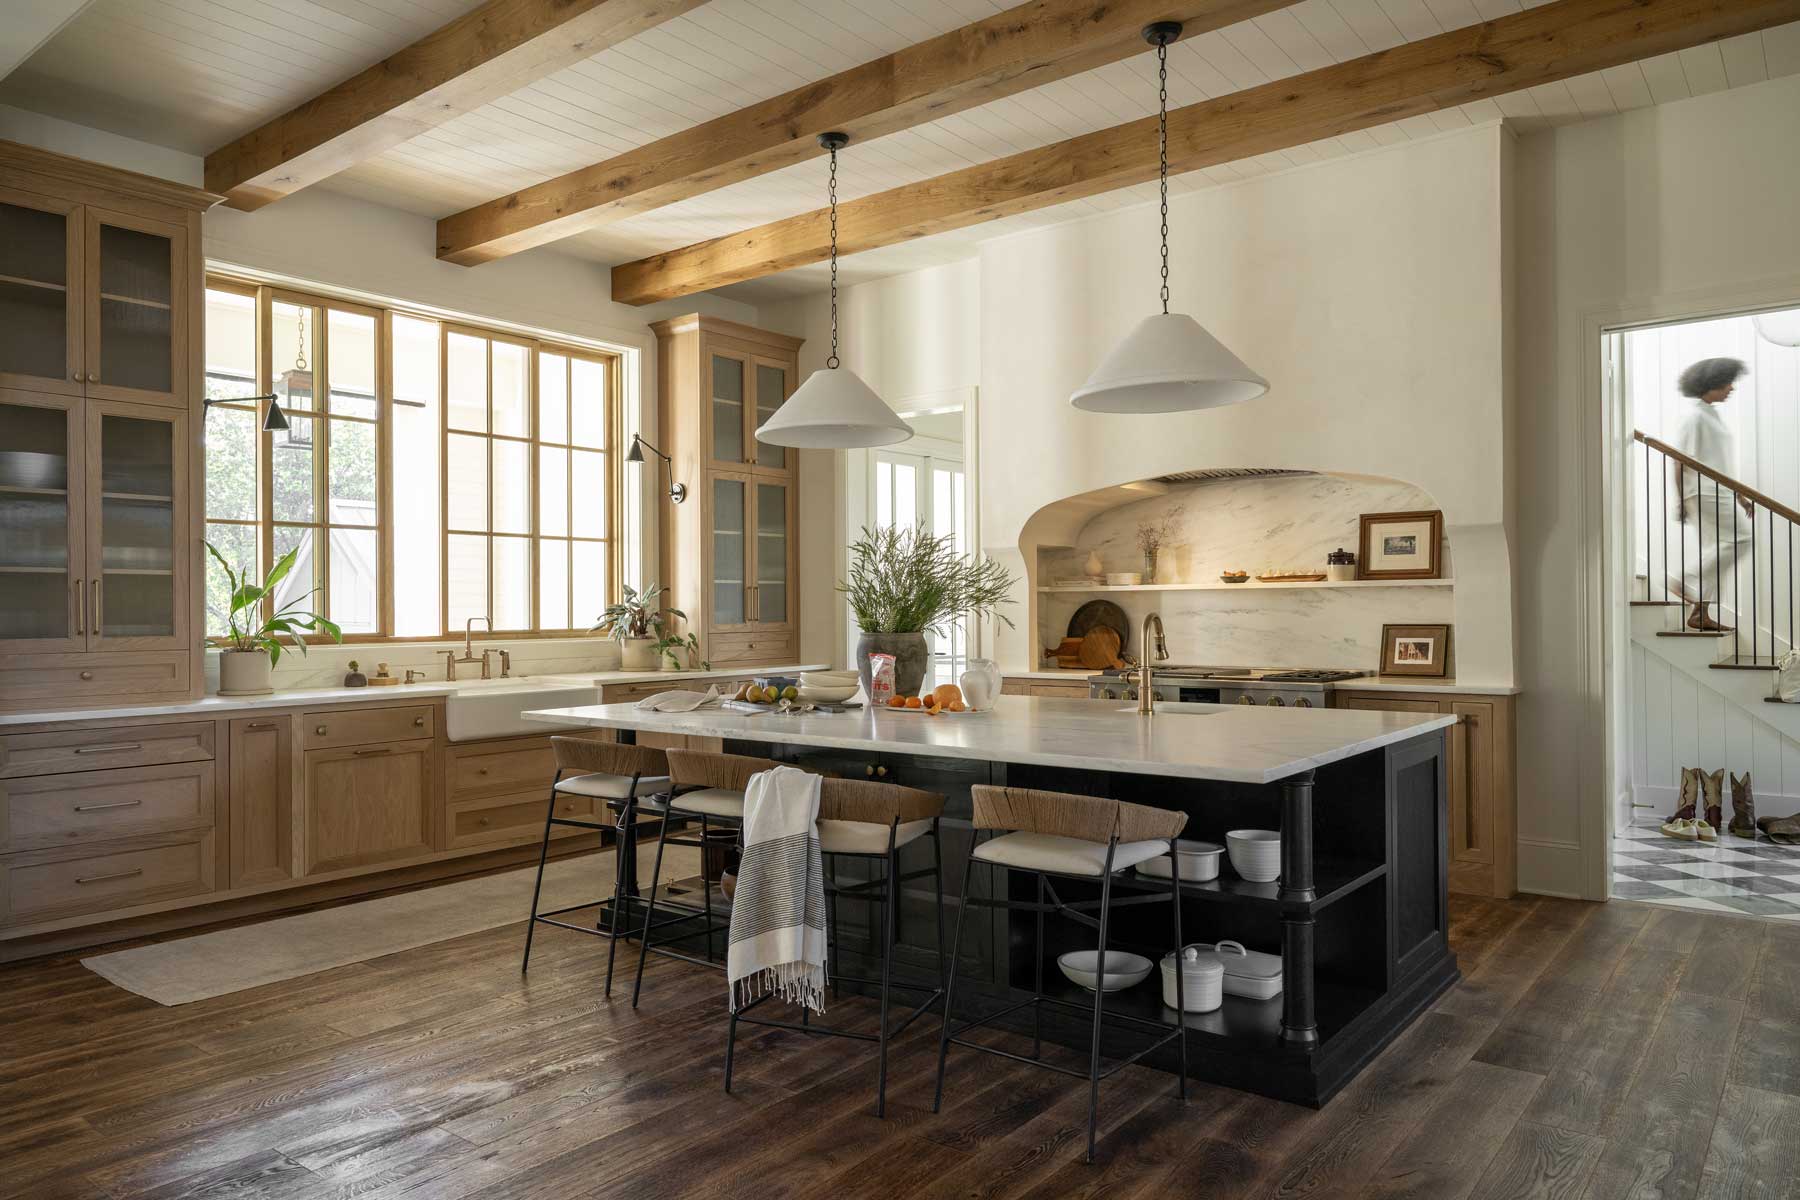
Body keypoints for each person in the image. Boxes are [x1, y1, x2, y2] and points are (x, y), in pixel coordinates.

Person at [1667, 357, 1751, 630]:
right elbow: (1679, 460)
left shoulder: (1711, 415)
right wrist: (1681, 499)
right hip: (1704, 492)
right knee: (1741, 539)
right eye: (1728, 382)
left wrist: (1739, 495)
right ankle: (1683, 578)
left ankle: (1699, 614)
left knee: (1716, 551)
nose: (1731, 388)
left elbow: (1719, 463)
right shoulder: (1694, 416)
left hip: (1719, 492)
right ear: (1712, 383)